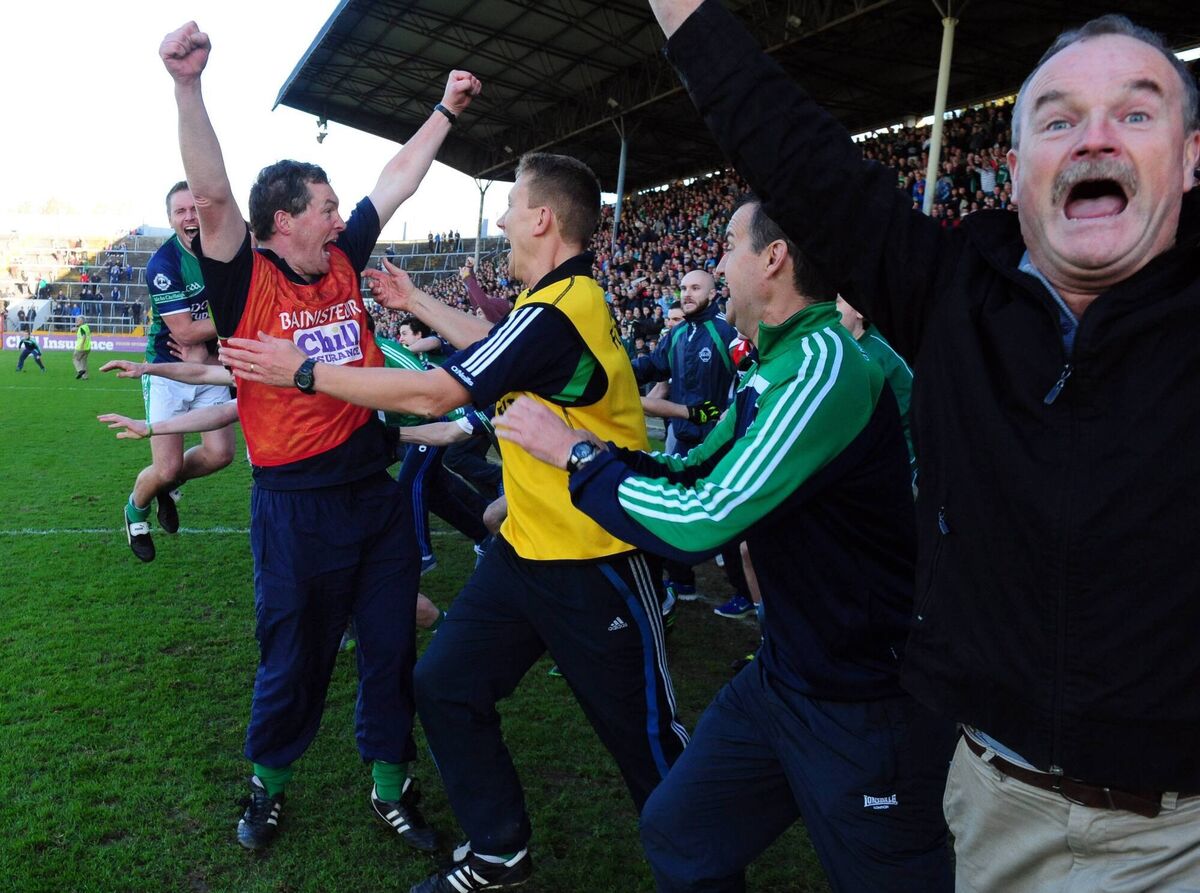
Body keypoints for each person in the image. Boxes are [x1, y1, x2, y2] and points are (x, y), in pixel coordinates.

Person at [648, 1, 1200, 889]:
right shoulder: (952, 301)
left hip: (1174, 833)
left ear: (1190, 156)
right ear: (1018, 170)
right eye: (1059, 119)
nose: (1095, 139)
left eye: (1136, 113)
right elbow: (796, 153)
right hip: (987, 797)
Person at [219, 151, 687, 893]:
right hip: (524, 552)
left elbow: (438, 394)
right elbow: (491, 345)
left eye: (510, 207)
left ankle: (701, 869)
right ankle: (499, 853)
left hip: (596, 558)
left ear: (541, 219)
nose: (499, 220)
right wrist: (417, 300)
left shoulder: (567, 310)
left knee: (648, 741)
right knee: (442, 683)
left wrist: (303, 370)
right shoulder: (547, 305)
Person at [496, 196, 954, 893]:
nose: (715, 264)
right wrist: (590, 452)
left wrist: (581, 462)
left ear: (773, 259)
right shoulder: (773, 365)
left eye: (728, 245)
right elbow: (692, 469)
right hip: (786, 678)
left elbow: (705, 519)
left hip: (862, 704)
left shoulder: (824, 365)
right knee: (682, 827)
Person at [159, 20, 480, 853]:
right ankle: (267, 782)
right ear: (284, 221)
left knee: (387, 649)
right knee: (293, 662)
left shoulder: (340, 257)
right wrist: (188, 87)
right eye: (325, 205)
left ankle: (389, 784)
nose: (342, 214)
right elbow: (217, 195)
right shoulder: (245, 277)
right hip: (295, 513)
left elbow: (396, 181)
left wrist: (444, 110)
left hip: (373, 501)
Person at [119, 182, 236, 563]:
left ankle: (168, 487)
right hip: (169, 367)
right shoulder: (164, 264)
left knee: (220, 455)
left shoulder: (229, 247)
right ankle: (136, 509)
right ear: (170, 219)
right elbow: (184, 331)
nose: (190, 217)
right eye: (180, 212)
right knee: (165, 467)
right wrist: (229, 322)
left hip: (212, 364)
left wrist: (209, 344)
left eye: (194, 209)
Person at [632, 269, 748, 615]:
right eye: (683, 288)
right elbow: (653, 366)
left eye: (695, 287)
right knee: (668, 510)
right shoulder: (677, 334)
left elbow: (746, 383)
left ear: (713, 294)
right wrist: (615, 369)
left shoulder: (726, 333)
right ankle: (681, 581)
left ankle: (746, 592)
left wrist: (717, 419)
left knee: (725, 520)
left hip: (720, 446)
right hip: (683, 443)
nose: (687, 293)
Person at [836, 296, 915, 476]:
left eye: (836, 302)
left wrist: (906, 470)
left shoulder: (885, 356)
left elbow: (915, 417)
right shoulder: (836, 350)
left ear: (859, 311)